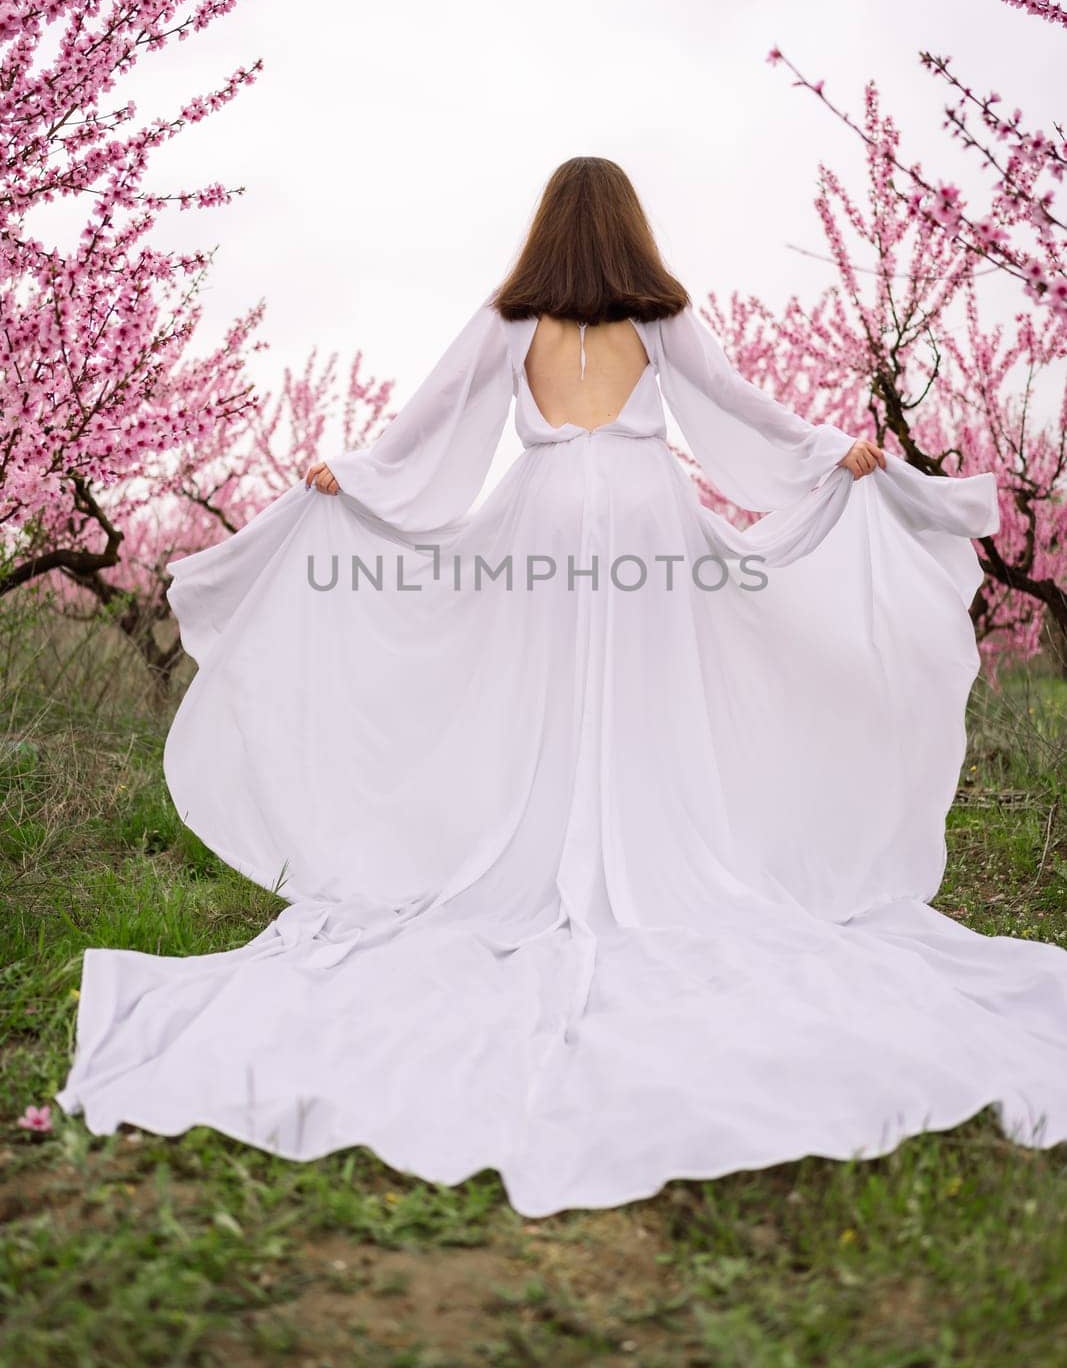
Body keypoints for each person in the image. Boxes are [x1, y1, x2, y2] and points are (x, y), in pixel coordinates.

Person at [54, 157, 1067, 1220]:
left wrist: (355, 476)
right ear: (629, 227)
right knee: (648, 700)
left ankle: (539, 854)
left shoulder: (509, 319)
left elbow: (429, 423)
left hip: (539, 525)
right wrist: (827, 453)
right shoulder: (661, 316)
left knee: (538, 697)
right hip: (645, 522)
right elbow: (737, 410)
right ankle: (642, 847)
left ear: (546, 228)